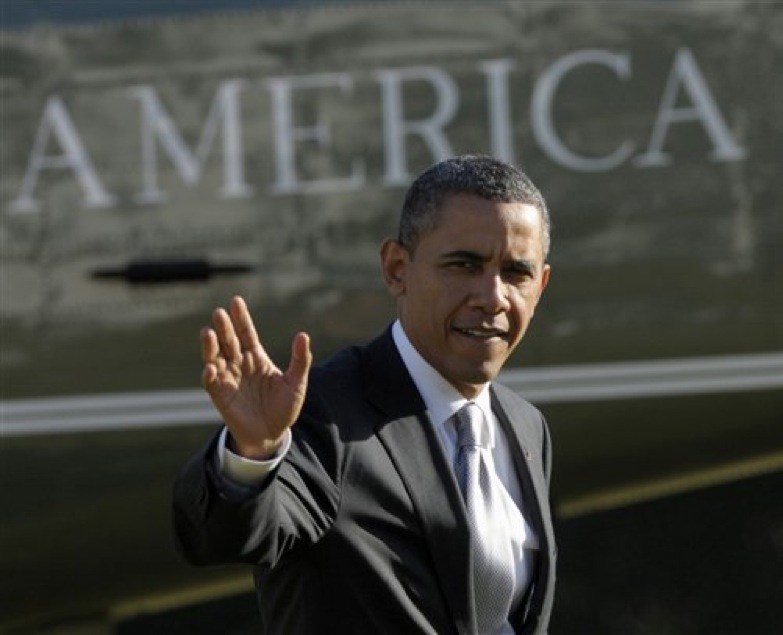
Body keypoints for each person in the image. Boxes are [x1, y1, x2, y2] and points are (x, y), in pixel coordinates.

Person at [172, 154, 556, 634]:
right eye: (464, 265)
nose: (493, 296)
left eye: (516, 272)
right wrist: (253, 454)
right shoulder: (326, 412)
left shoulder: (525, 426)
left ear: (540, 285)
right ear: (397, 268)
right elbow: (223, 536)